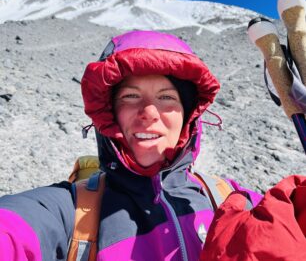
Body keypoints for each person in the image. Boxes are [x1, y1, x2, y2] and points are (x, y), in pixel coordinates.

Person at [2, 29, 300, 261]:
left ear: (188, 115)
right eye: (130, 96)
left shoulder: (231, 201)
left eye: (167, 98)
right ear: (110, 114)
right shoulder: (69, 211)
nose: (149, 112)